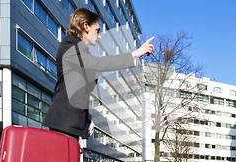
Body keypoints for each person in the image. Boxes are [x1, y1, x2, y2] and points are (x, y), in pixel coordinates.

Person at [43, 8, 154, 140]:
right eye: (97, 30)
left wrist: (85, 114)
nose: (99, 36)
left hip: (70, 121)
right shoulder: (69, 45)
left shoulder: (81, 51)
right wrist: (134, 54)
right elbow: (98, 63)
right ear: (86, 27)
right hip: (64, 121)